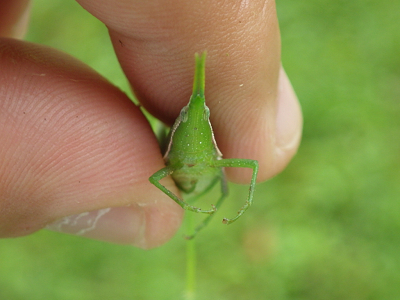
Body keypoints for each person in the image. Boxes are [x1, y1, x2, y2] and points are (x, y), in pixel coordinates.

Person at [0, 0, 302, 249]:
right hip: (177, 162)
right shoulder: (179, 160)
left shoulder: (206, 162)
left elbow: (244, 166)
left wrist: (240, 204)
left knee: (223, 174)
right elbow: (161, 178)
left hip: (192, 166)